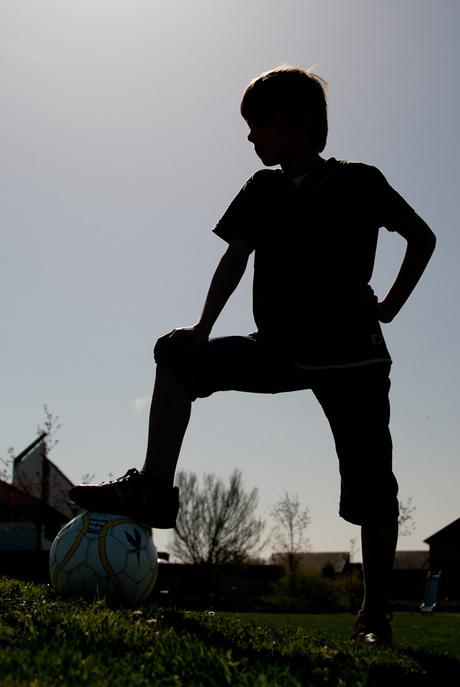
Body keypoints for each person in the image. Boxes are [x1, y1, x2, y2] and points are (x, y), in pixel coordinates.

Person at [70, 66, 435, 644]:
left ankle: (375, 615)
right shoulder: (261, 189)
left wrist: (387, 307)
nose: (251, 137)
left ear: (303, 122)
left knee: (374, 490)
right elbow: (236, 257)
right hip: (279, 350)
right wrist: (202, 327)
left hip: (352, 361)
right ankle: (154, 490)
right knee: (178, 358)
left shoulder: (361, 181)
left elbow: (422, 237)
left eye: (259, 123)